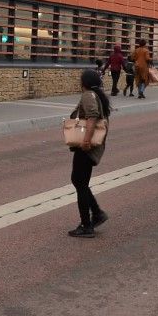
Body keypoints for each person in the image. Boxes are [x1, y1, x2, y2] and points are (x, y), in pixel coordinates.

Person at [67, 69, 111, 238]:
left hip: (86, 146)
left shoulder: (88, 95)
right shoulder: (97, 95)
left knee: (79, 182)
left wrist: (86, 140)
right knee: (80, 181)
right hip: (90, 146)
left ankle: (87, 225)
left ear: (84, 82)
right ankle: (97, 213)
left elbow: (92, 117)